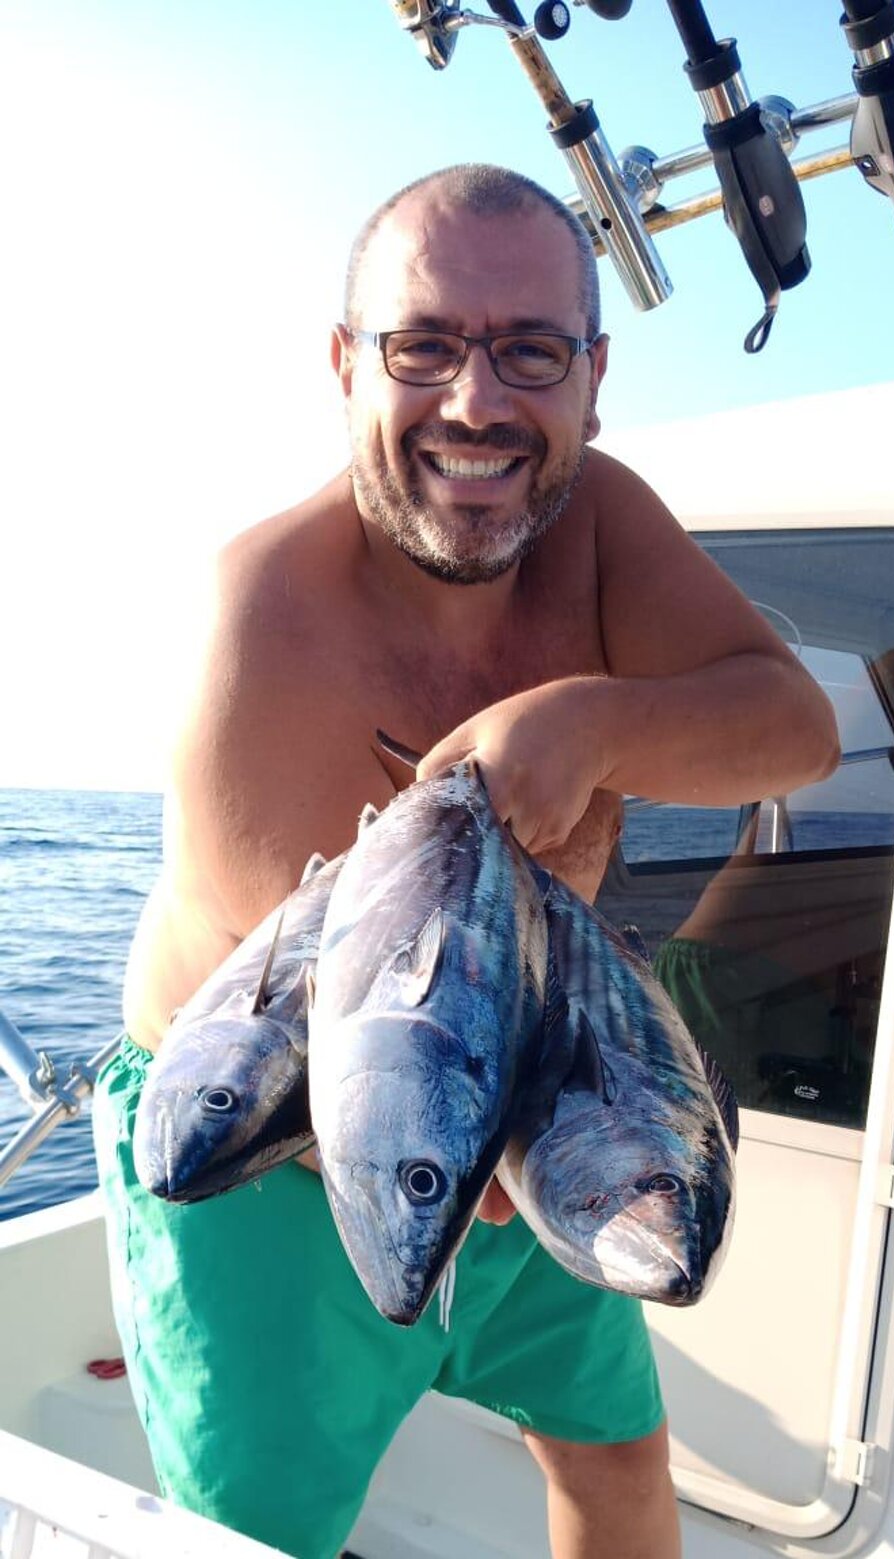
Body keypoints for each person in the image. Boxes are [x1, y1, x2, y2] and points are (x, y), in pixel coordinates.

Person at [93, 162, 840, 1559]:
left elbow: (795, 728)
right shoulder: (266, 618)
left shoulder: (600, 521)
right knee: (259, 1538)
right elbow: (373, 1054)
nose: (478, 402)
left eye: (531, 351)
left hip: (527, 1095)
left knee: (613, 1454)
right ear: (346, 366)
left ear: (593, 381)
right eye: (423, 344)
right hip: (264, 1159)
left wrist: (596, 720)